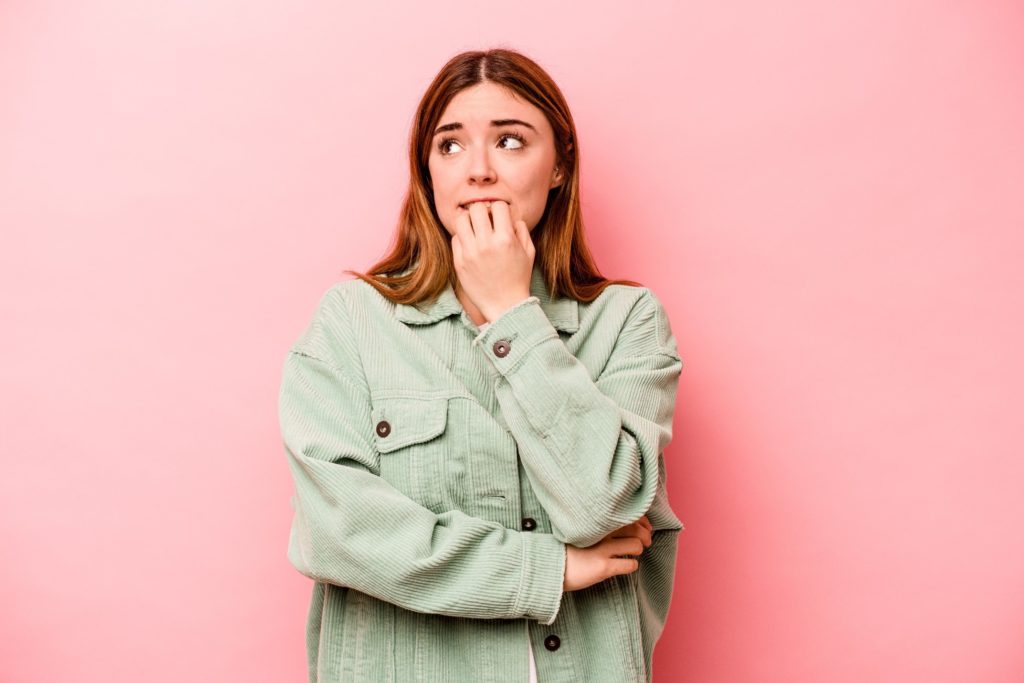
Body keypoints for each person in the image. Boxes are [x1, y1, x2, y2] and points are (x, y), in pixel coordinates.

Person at [278, 47, 686, 683]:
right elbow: (341, 531)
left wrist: (509, 313)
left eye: (512, 141)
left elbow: (603, 507)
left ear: (558, 167)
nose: (479, 171)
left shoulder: (627, 322)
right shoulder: (353, 320)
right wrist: (545, 569)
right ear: (428, 172)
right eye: (450, 146)